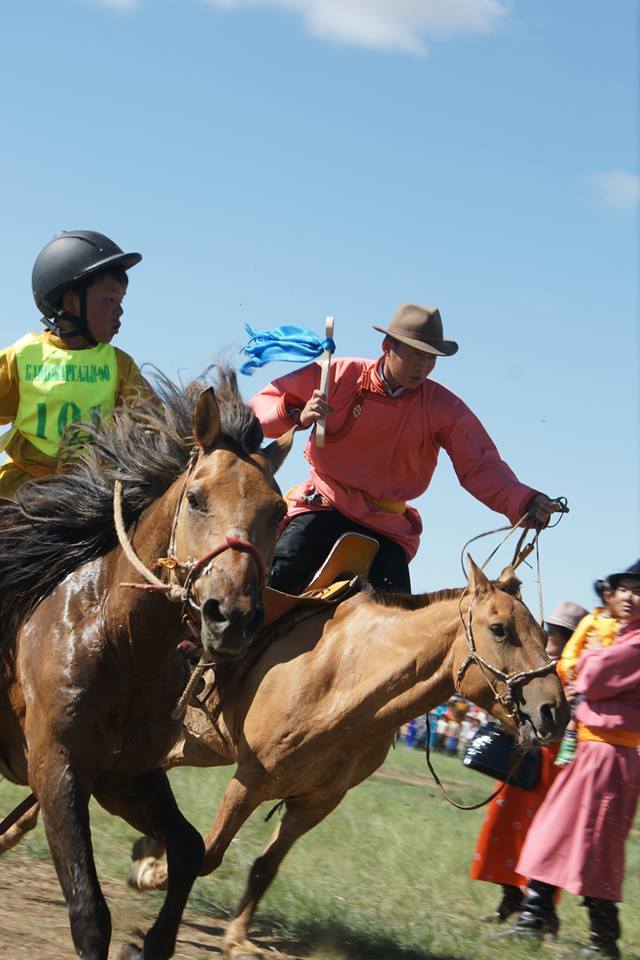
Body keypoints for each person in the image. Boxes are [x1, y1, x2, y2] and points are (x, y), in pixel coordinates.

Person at [250, 304, 565, 593]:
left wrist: (526, 501)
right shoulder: (339, 374)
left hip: (386, 527)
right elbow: (261, 405)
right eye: (416, 354)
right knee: (275, 585)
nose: (424, 366)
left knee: (399, 625)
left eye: (431, 358)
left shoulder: (445, 408)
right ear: (387, 347)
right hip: (325, 506)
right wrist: (296, 415)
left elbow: (481, 465)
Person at [502, 560, 640, 959]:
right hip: (593, 749)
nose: (631, 597)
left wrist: (592, 659)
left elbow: (592, 678)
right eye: (626, 588)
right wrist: (589, 664)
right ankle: (533, 919)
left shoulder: (632, 641)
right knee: (554, 832)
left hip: (612, 755)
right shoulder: (618, 635)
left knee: (596, 845)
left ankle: (603, 941)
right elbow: (578, 673)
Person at [0, 230, 150, 500]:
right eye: (109, 299)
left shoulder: (120, 365)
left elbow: (152, 422)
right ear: (70, 301)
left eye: (121, 300)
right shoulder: (20, 357)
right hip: (19, 493)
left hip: (90, 493)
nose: (120, 310)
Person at [470, 600, 588, 926]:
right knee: (503, 826)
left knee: (538, 835)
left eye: (559, 631)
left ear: (570, 635)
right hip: (525, 755)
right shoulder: (538, 661)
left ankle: (535, 908)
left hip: (553, 766)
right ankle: (510, 900)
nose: (551, 634)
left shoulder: (574, 667)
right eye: (550, 628)